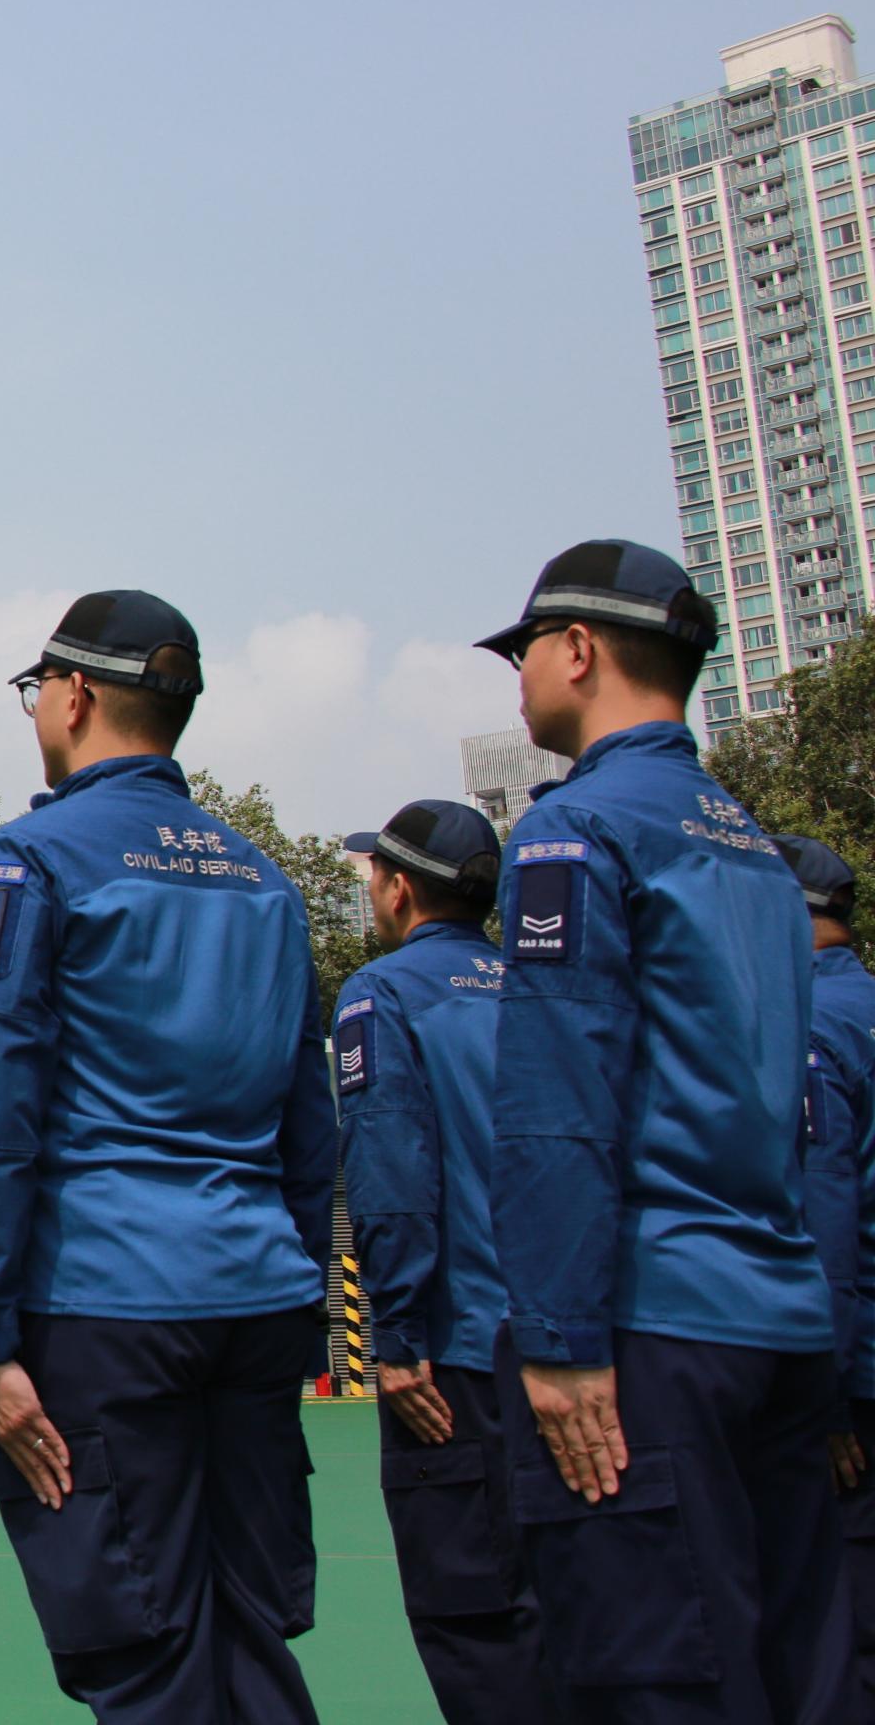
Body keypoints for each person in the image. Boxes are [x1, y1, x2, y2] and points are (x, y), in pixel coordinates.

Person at [0, 589, 335, 1723]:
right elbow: (310, 1130)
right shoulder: (263, 880)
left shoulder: (31, 861)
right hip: (254, 1300)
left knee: (143, 1653)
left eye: (36, 693)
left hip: (106, 1310)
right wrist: (290, 1289)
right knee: (248, 1630)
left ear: (75, 695)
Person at [476, 540, 847, 1719]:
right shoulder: (747, 842)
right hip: (780, 1319)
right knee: (799, 1674)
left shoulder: (574, 831)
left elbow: (556, 1103)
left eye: (525, 650)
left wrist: (558, 1334)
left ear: (579, 651)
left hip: (646, 1326)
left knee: (655, 1677)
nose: (519, 676)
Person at [335, 798, 563, 1723]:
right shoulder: (543, 991)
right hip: (569, 1349)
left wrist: (394, 1336)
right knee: (571, 1608)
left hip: (459, 1361)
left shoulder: (382, 995)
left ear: (397, 889)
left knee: (473, 1620)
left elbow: (391, 1175)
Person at [773, 833, 875, 1703]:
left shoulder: (806, 1028)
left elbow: (825, 1218)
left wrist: (829, 1397)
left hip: (857, 1376)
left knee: (842, 1619)